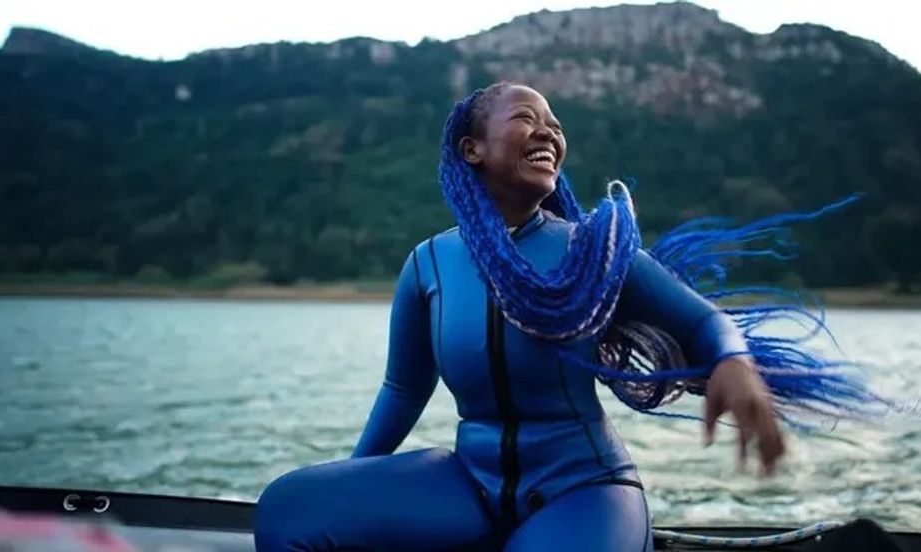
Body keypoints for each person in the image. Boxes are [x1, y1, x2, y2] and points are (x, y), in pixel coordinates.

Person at [253, 82, 789, 551]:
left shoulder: (595, 250)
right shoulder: (429, 263)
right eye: (526, 118)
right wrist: (355, 477)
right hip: (470, 484)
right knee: (289, 509)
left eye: (555, 126)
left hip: (583, 489)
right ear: (473, 149)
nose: (548, 133)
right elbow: (403, 389)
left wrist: (733, 361)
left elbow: (703, 322)